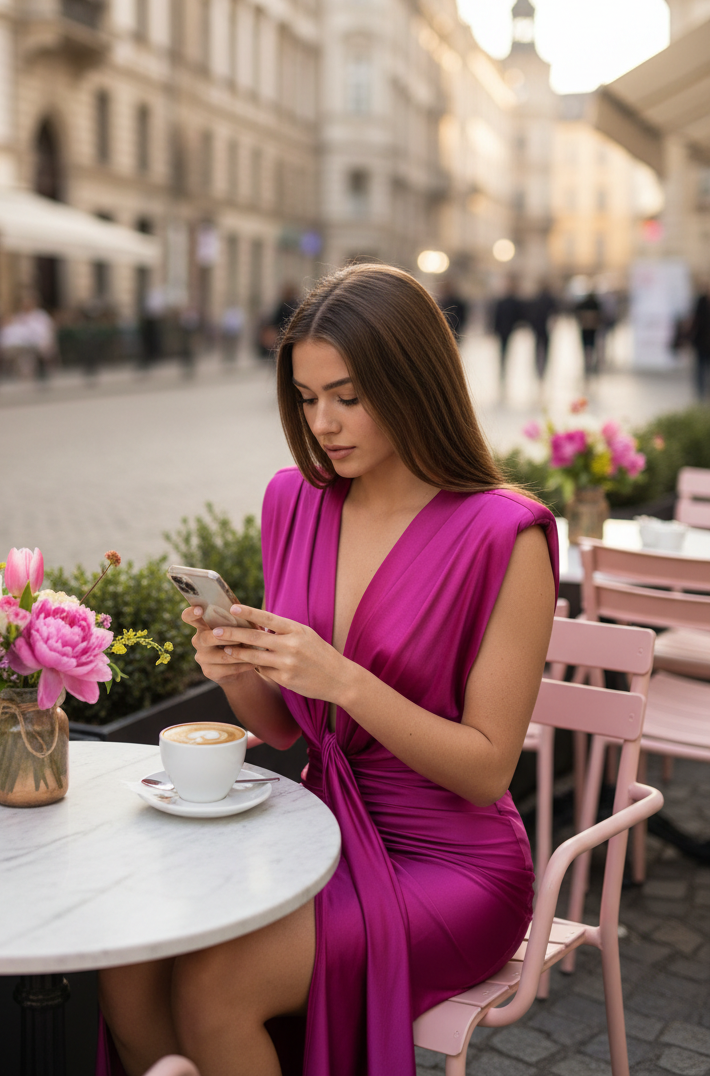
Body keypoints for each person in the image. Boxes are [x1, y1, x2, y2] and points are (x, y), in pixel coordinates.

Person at [98, 264, 557, 1076]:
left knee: (216, 988)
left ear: (413, 384)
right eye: (308, 399)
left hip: (452, 863)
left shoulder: (504, 535)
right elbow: (282, 728)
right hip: (315, 828)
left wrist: (342, 677)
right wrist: (237, 666)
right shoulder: (295, 500)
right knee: (129, 957)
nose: (324, 425)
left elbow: (487, 771)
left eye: (347, 396)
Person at [492, 280, 522, 381]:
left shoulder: (512, 302)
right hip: (504, 329)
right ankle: (502, 367)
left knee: (505, 348)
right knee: (503, 348)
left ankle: (504, 366)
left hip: (507, 329)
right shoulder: (503, 302)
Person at [527, 283, 557, 380]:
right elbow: (554, 314)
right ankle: (543, 369)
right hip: (545, 329)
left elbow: (531, 315)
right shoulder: (549, 300)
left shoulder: (537, 299)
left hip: (538, 328)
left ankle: (538, 370)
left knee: (537, 349)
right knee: (545, 348)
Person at [689, 280, 710, 399]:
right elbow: (695, 320)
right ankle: (701, 394)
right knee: (700, 369)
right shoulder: (701, 301)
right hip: (701, 342)